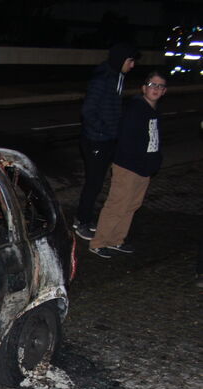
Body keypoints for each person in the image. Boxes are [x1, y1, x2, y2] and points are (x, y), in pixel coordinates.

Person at [89, 71, 166, 258]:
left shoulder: (152, 111)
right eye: (152, 85)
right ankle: (98, 242)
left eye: (160, 86)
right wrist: (140, 162)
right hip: (129, 166)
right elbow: (127, 141)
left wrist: (154, 162)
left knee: (132, 205)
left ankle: (116, 239)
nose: (156, 89)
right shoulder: (136, 109)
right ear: (144, 88)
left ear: (164, 91)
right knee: (117, 204)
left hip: (144, 168)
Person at [74, 43, 138, 240]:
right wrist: (104, 130)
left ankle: (85, 217)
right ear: (121, 60)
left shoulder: (117, 77)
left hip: (106, 140)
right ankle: (81, 222)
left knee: (97, 182)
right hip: (96, 141)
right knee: (93, 183)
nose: (132, 65)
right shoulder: (103, 79)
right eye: (130, 61)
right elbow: (88, 111)